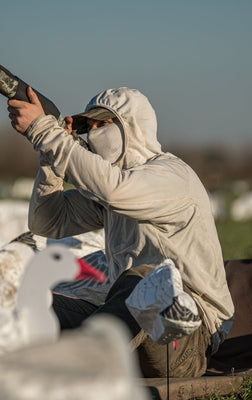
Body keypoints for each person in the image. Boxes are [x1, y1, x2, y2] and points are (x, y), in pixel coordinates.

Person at [7, 86, 234, 378]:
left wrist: (44, 131)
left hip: (185, 338)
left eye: (104, 123)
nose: (94, 133)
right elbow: (48, 222)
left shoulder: (172, 176)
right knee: (31, 303)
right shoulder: (115, 187)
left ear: (133, 127)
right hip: (132, 327)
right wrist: (51, 157)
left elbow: (114, 190)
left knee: (147, 280)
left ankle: (72, 365)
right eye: (89, 127)